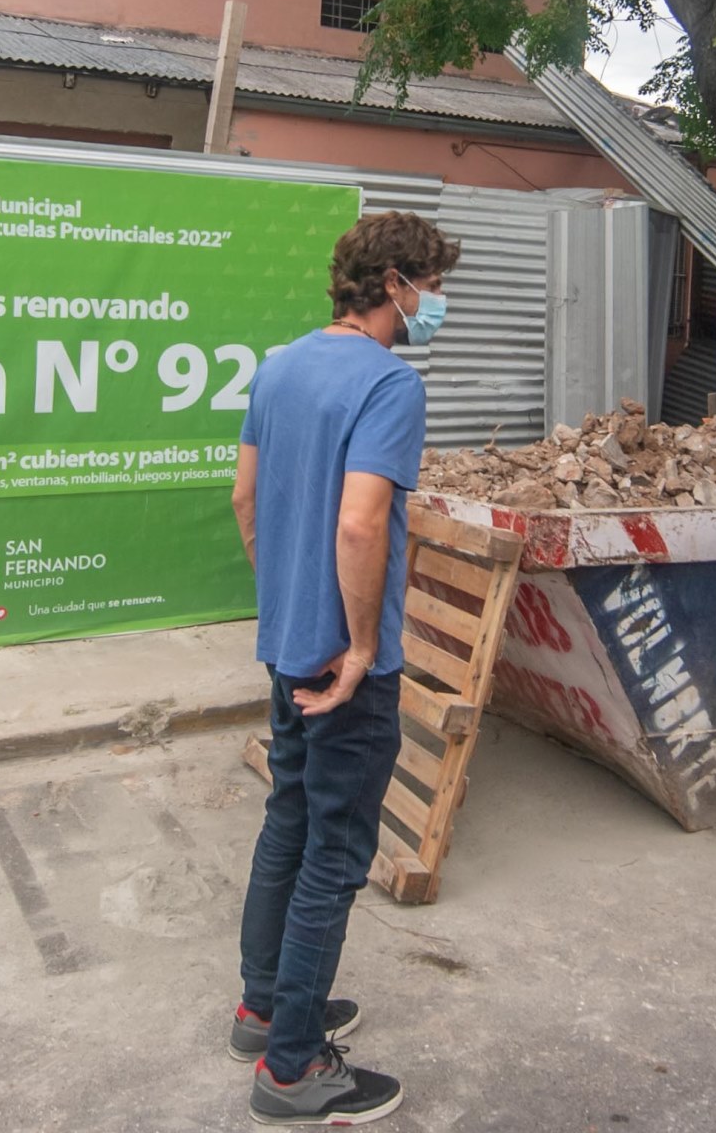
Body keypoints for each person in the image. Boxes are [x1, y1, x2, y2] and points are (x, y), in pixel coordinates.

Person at [228, 210, 459, 1127]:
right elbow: (362, 523)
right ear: (397, 283)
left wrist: (289, 601)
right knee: (334, 856)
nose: (437, 304)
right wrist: (360, 645)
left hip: (288, 651)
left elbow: (245, 498)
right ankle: (292, 1071)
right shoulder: (388, 385)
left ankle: (263, 1010)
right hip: (345, 669)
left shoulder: (279, 367)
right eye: (434, 286)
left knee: (288, 823)